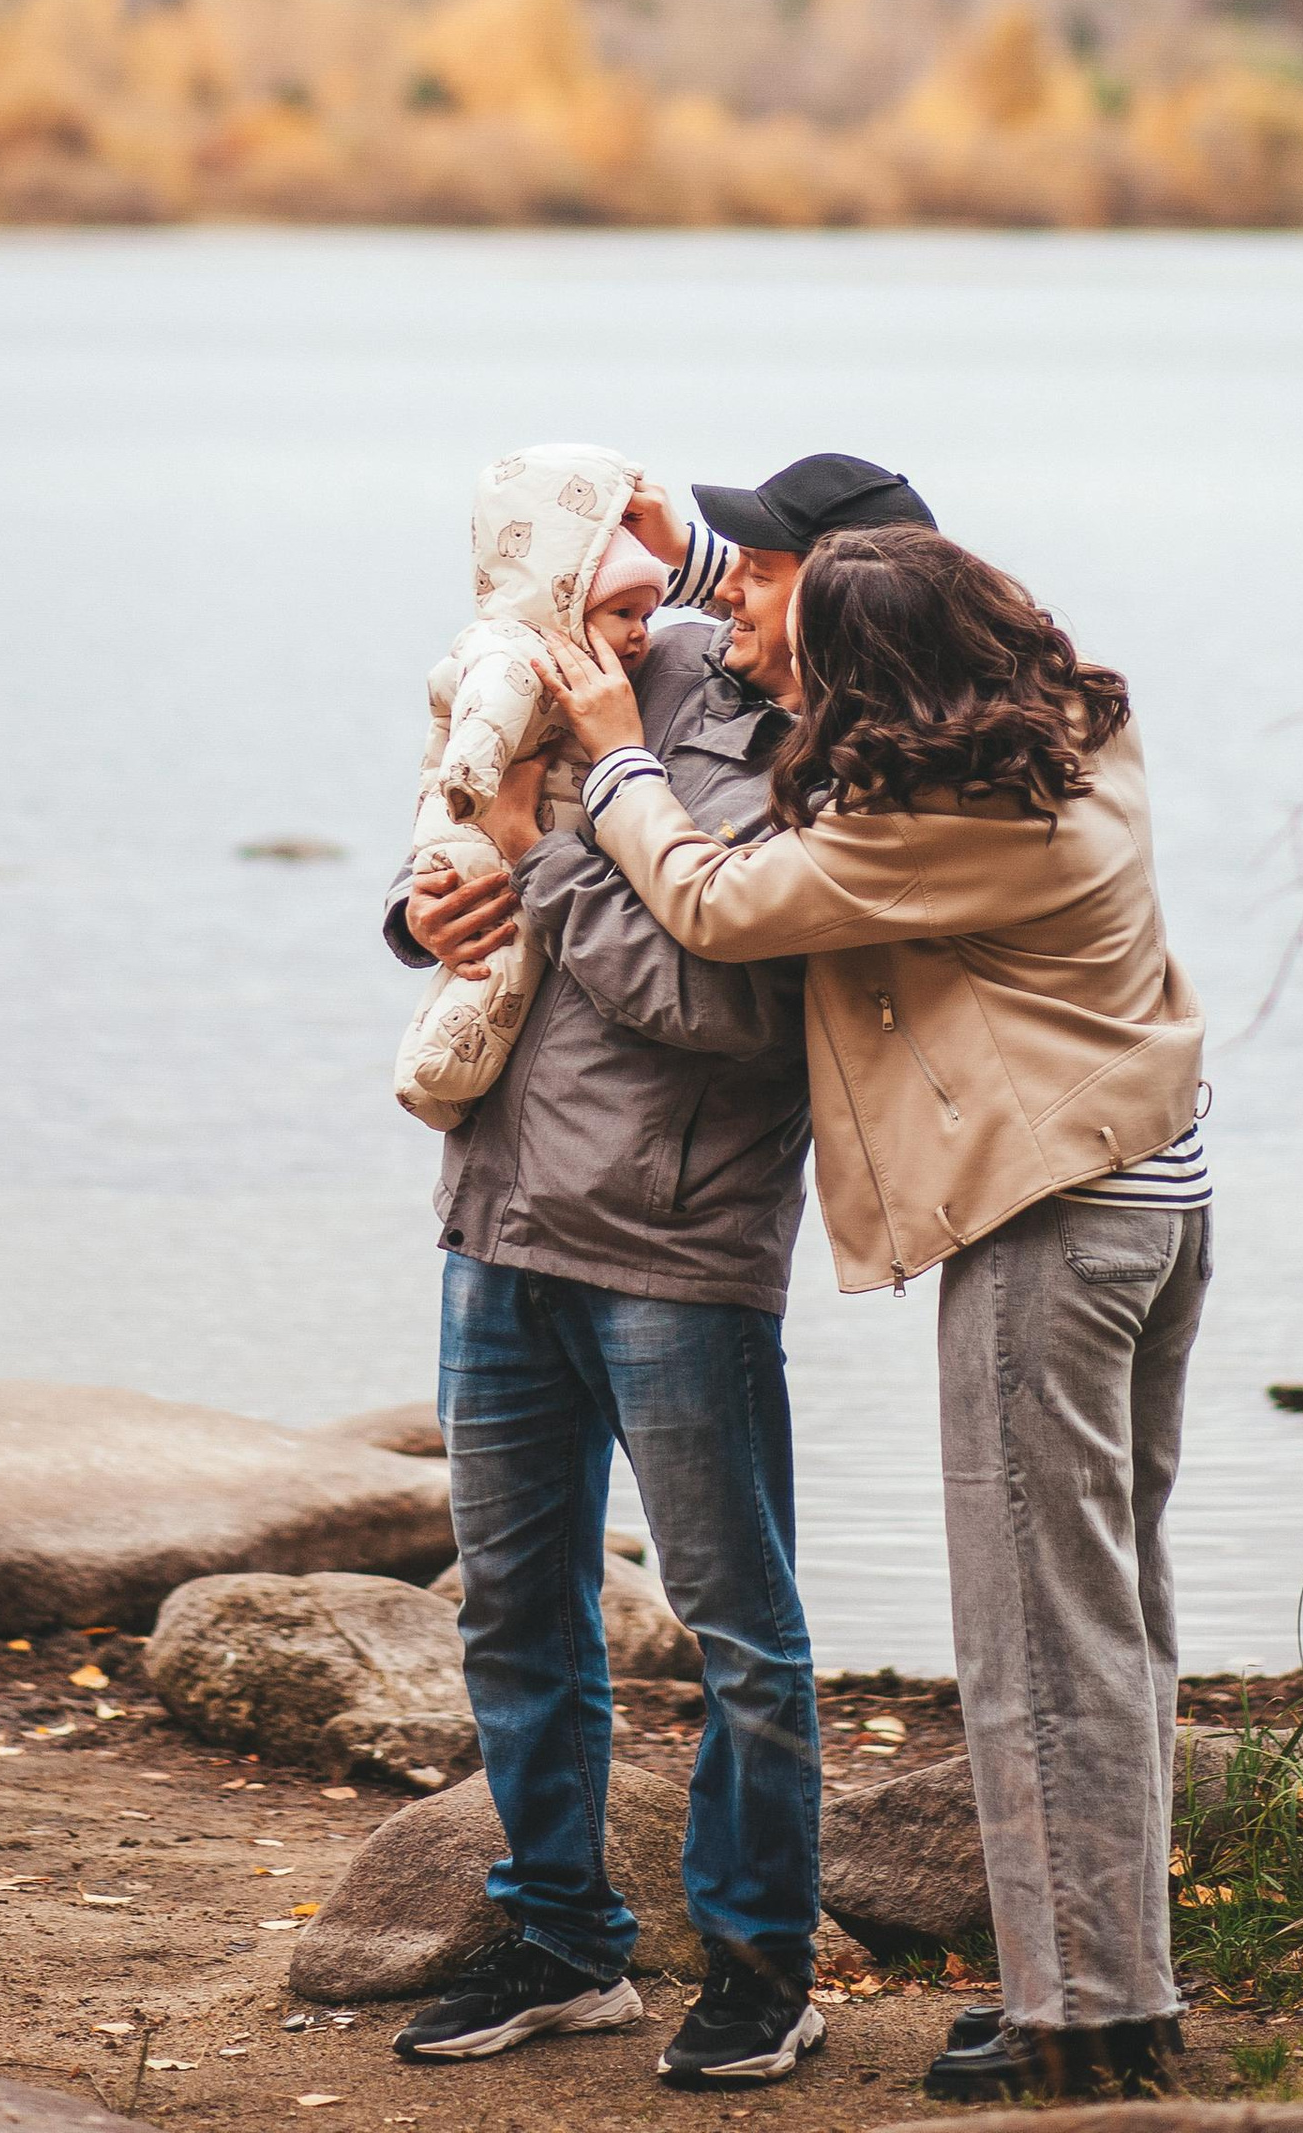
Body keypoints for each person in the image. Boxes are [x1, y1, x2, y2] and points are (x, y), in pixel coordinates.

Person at [547, 526, 1208, 2112]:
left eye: (804, 650)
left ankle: (1077, 2031)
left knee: (1032, 1643)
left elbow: (710, 901)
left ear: (872, 680)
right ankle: (1123, 1992)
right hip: (1158, 1203)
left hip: (1047, 1221)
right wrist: (700, 554)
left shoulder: (932, 829)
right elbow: (885, 608)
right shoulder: (1074, 736)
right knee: (1116, 1626)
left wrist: (616, 757)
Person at [381, 452, 937, 2090]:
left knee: (739, 1634)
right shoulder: (629, 657)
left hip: (679, 1255)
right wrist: (426, 911)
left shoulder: (849, 774)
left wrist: (544, 869)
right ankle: (562, 1943)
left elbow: (733, 1010)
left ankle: (764, 1966)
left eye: (759, 562)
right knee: (515, 1615)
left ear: (844, 589)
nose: (718, 581)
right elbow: (453, 854)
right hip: (496, 1219)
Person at [392, 444, 674, 1126]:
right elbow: (478, 732)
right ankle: (432, 1079)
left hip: (588, 1123)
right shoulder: (510, 653)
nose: (639, 636)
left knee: (499, 973)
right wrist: (413, 912)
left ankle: (438, 1078)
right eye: (622, 616)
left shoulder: (665, 677)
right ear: (574, 605)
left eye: (646, 616)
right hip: (478, 834)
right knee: (486, 961)